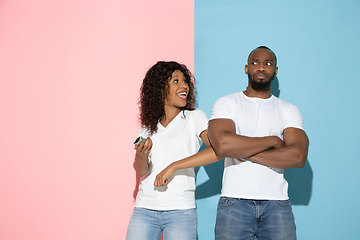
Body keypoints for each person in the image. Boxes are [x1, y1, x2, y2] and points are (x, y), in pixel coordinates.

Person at [155, 46, 309, 240]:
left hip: (276, 203)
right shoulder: (227, 103)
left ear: (275, 71)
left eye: (268, 64)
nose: (261, 68)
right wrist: (273, 140)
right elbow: (221, 145)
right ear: (247, 68)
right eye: (255, 63)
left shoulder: (288, 110)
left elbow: (298, 156)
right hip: (234, 202)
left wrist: (238, 149)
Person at [126, 61, 217, 240]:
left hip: (180, 211)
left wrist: (174, 166)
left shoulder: (194, 118)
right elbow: (141, 171)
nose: (184, 86)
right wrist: (141, 154)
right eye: (176, 81)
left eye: (185, 81)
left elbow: (217, 150)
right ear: (160, 88)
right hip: (145, 209)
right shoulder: (147, 129)